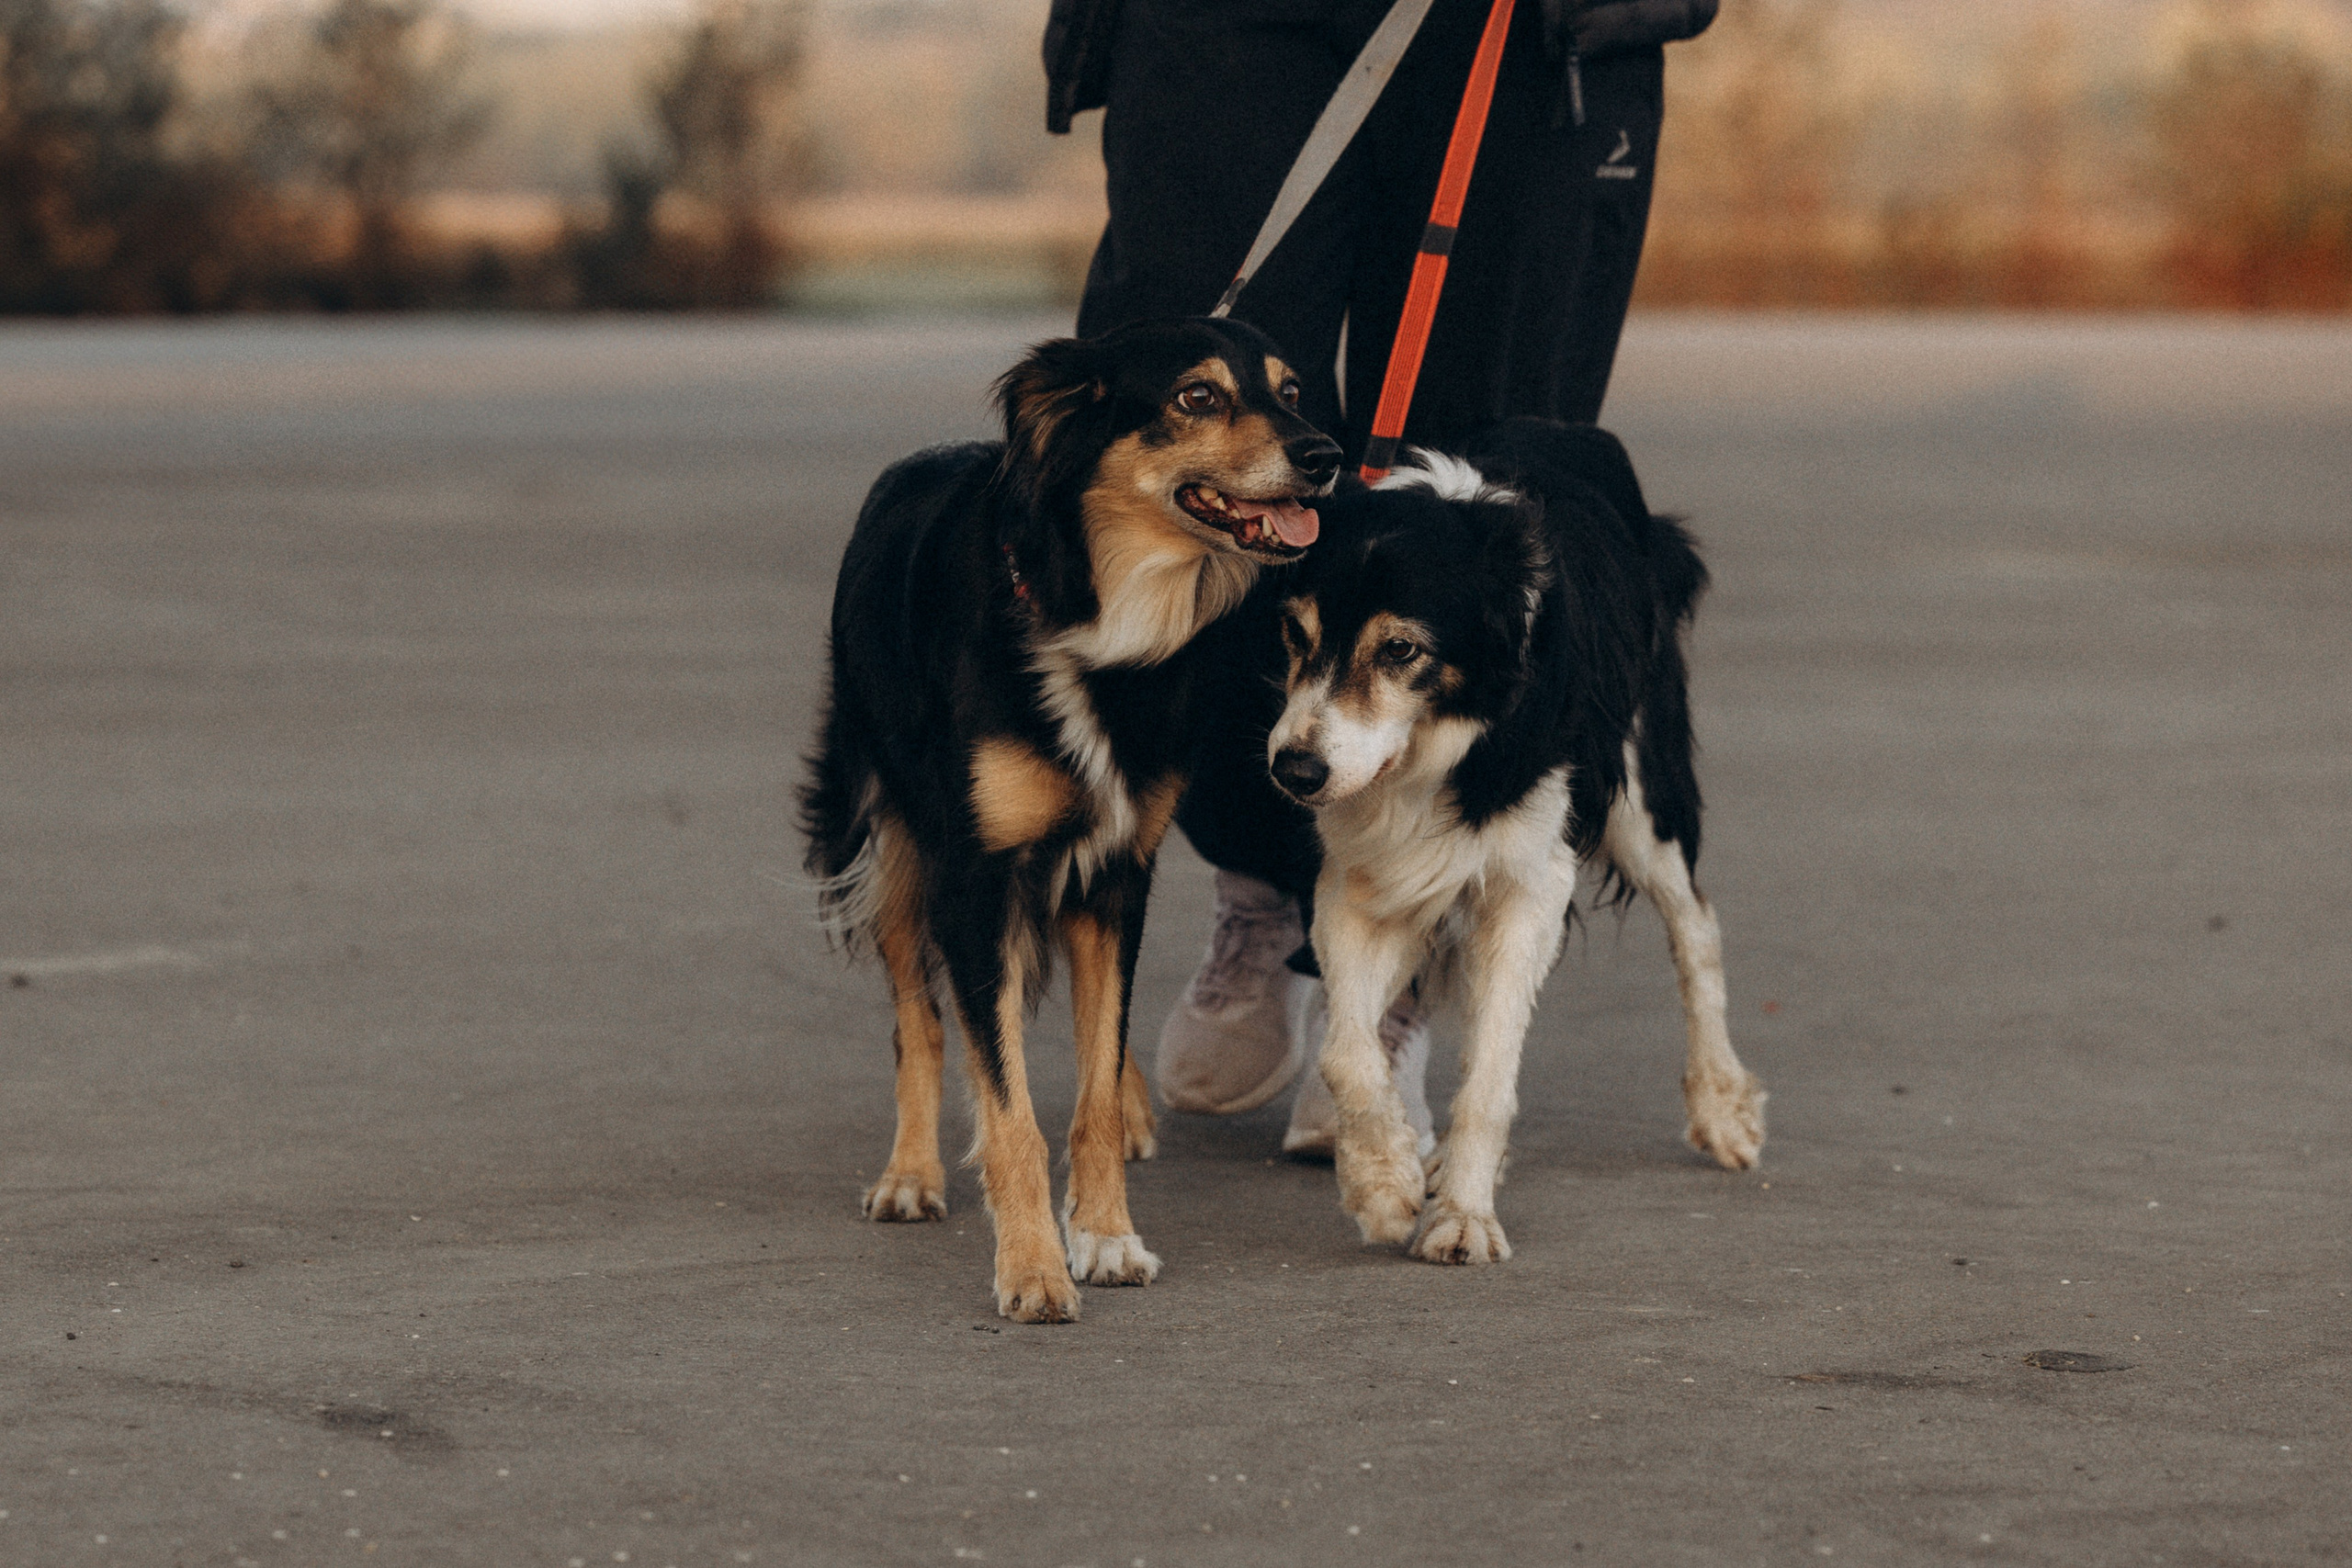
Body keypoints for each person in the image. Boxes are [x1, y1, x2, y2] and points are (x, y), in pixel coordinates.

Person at [1044, 0, 1716, 1155]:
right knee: (1209, 456)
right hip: (1236, 33)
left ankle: (1400, 978)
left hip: (1524, 32)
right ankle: (1262, 881)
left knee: (1477, 475)